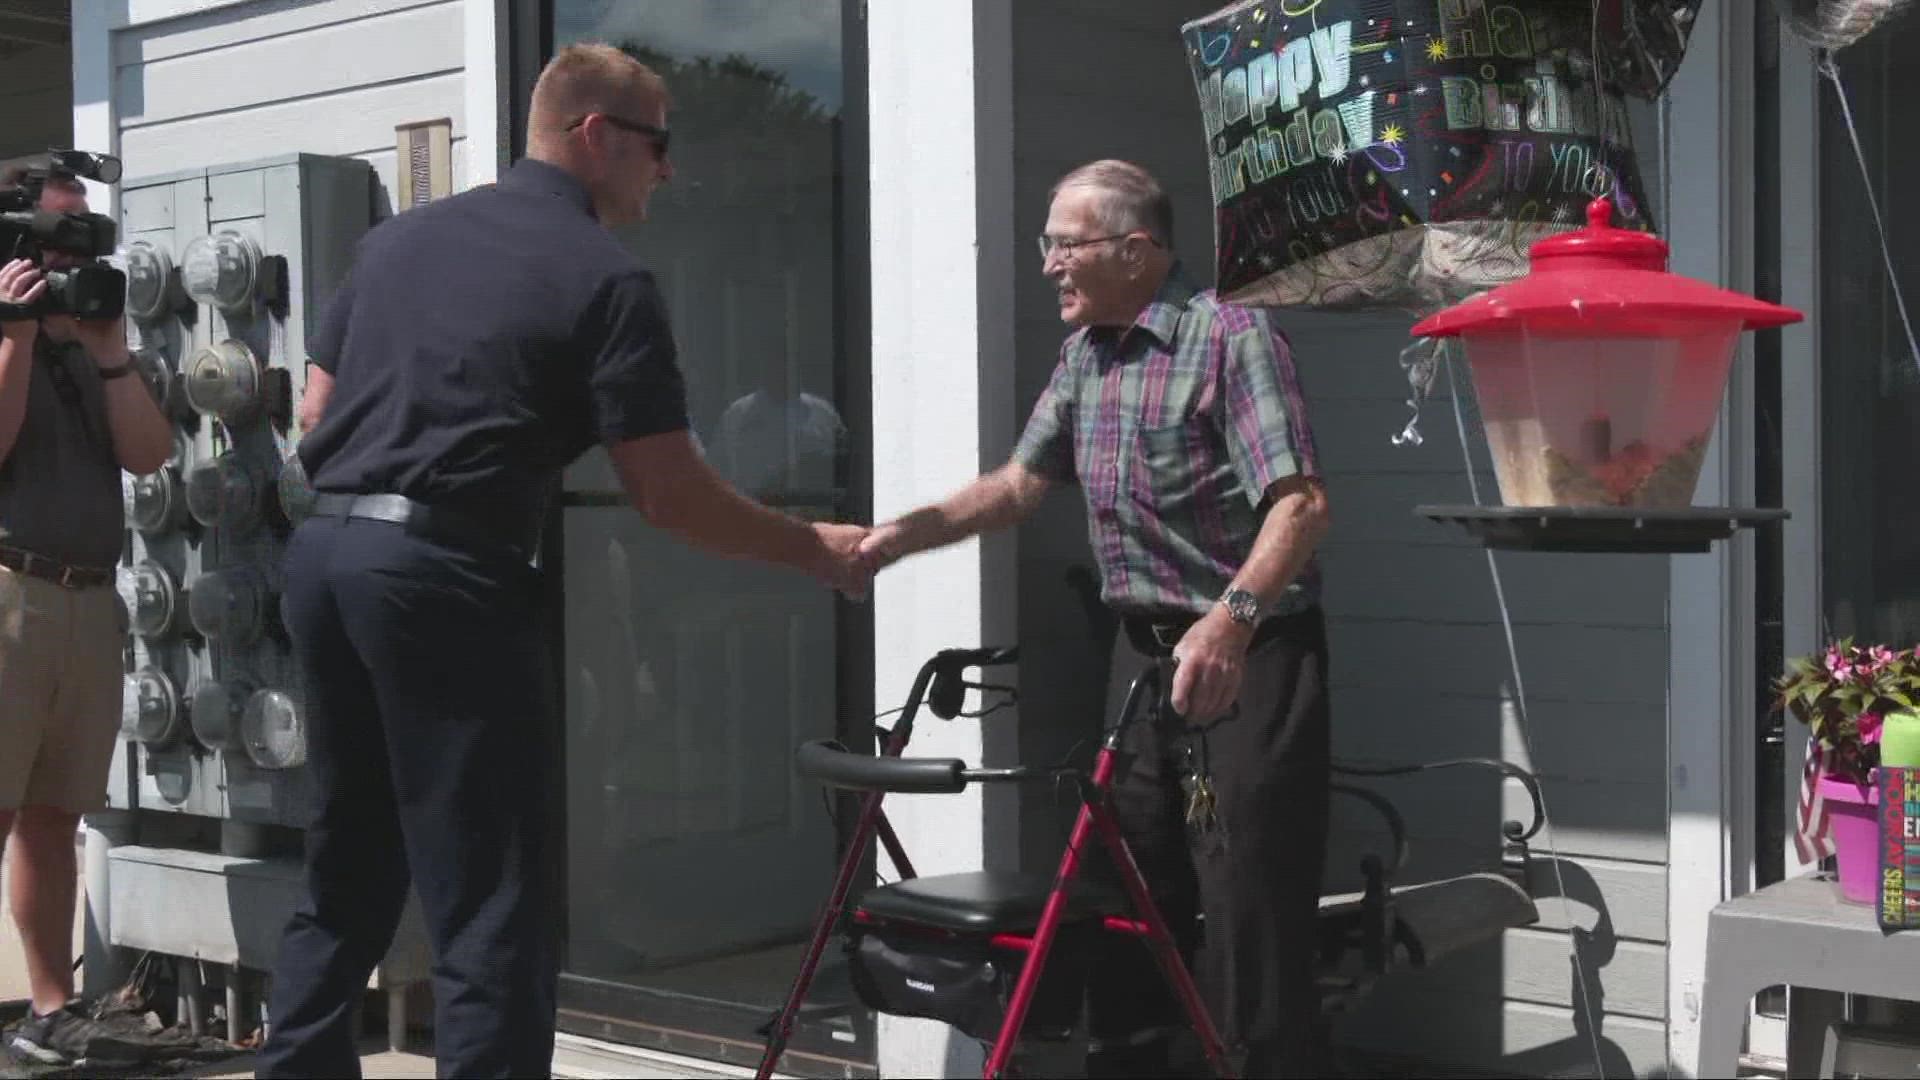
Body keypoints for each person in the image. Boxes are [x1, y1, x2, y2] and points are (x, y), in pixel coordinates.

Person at [256, 44, 870, 1080]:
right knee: (492, 895)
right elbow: (666, 491)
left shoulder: (398, 242)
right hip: (446, 574)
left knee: (351, 856)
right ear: (595, 135)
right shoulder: (604, 276)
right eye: (658, 146)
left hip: (326, 559)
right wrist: (812, 546)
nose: (667, 172)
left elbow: (317, 409)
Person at [859, 159, 1332, 1077]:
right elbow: (1016, 486)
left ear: (1136, 249)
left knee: (1248, 909)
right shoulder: (1086, 357)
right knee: (1126, 891)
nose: (1048, 265)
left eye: (1062, 244)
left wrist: (1229, 620)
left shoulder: (1233, 340)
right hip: (1141, 657)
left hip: (1251, 651)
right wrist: (894, 538)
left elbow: (1301, 506)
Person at [0, 161, 173, 1066]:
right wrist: (17, 335)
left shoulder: (91, 338)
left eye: (81, 236)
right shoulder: (9, 328)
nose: (67, 255)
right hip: (8, 589)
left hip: (87, 595)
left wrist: (105, 346)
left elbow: (149, 454)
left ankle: (49, 1009)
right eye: (51, 237)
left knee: (52, 815)